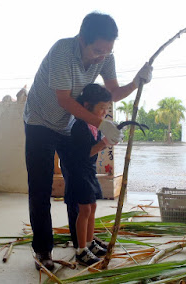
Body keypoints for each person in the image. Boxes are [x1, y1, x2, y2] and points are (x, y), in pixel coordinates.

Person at [23, 11, 153, 271]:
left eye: (107, 50)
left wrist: (137, 81)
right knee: (40, 188)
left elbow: (113, 93)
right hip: (40, 122)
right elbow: (64, 99)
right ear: (82, 39)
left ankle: (81, 242)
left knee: (78, 183)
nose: (102, 56)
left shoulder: (106, 57)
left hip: (69, 124)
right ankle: (43, 250)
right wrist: (99, 122)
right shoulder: (62, 51)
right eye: (97, 50)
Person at [66, 84, 114, 266]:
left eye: (106, 109)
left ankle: (89, 242)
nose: (104, 113)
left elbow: (94, 151)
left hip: (89, 171)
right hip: (78, 172)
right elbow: (86, 152)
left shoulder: (95, 126)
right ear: (87, 106)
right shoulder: (79, 126)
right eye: (101, 108)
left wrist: (107, 140)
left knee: (92, 207)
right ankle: (80, 250)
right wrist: (105, 142)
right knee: (84, 209)